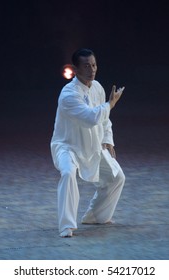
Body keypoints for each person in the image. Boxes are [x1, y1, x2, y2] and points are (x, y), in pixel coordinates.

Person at [50, 48, 125, 237]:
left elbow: (104, 120)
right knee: (68, 173)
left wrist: (108, 140)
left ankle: (95, 216)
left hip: (93, 146)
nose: (92, 69)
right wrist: (110, 105)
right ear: (75, 69)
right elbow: (90, 117)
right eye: (86, 66)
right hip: (68, 147)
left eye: (94, 65)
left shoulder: (97, 87)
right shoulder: (68, 94)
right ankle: (66, 226)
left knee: (117, 178)